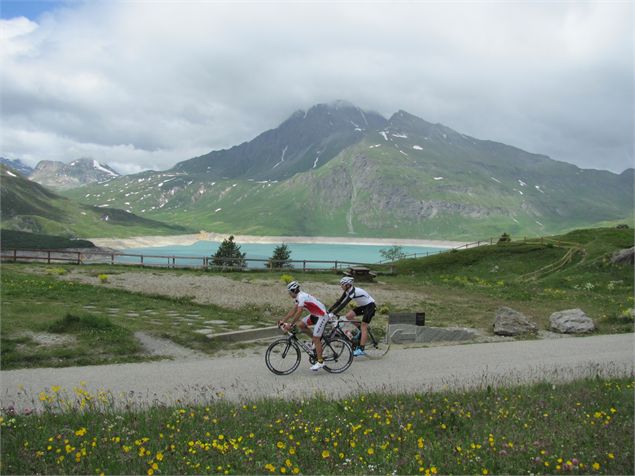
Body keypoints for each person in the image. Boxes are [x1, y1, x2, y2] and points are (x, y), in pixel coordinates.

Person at [278, 281, 329, 371]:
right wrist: (283, 321)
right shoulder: (298, 297)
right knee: (301, 325)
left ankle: (320, 362)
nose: (289, 294)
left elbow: (299, 312)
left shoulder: (302, 297)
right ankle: (315, 342)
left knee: (316, 338)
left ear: (293, 291)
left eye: (289, 292)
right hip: (315, 315)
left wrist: (291, 324)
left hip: (322, 316)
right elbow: (293, 311)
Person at [328, 276, 376, 356]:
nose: (341, 286)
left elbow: (343, 304)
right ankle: (361, 330)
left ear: (347, 285)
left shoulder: (353, 292)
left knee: (364, 326)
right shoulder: (347, 291)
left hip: (370, 306)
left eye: (342, 284)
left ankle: (361, 349)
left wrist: (333, 313)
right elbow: (339, 302)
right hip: (364, 306)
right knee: (348, 316)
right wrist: (329, 311)